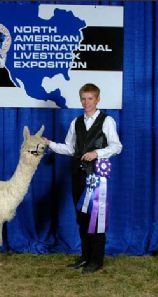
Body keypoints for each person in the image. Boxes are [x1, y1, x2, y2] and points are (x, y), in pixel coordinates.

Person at [44, 83, 122, 273]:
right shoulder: (76, 122)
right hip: (77, 175)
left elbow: (117, 146)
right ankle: (85, 256)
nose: (86, 102)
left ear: (97, 99)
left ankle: (97, 260)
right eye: (84, 99)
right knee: (82, 217)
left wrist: (97, 153)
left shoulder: (107, 121)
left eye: (90, 98)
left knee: (96, 218)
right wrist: (50, 144)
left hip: (96, 177)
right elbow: (70, 149)